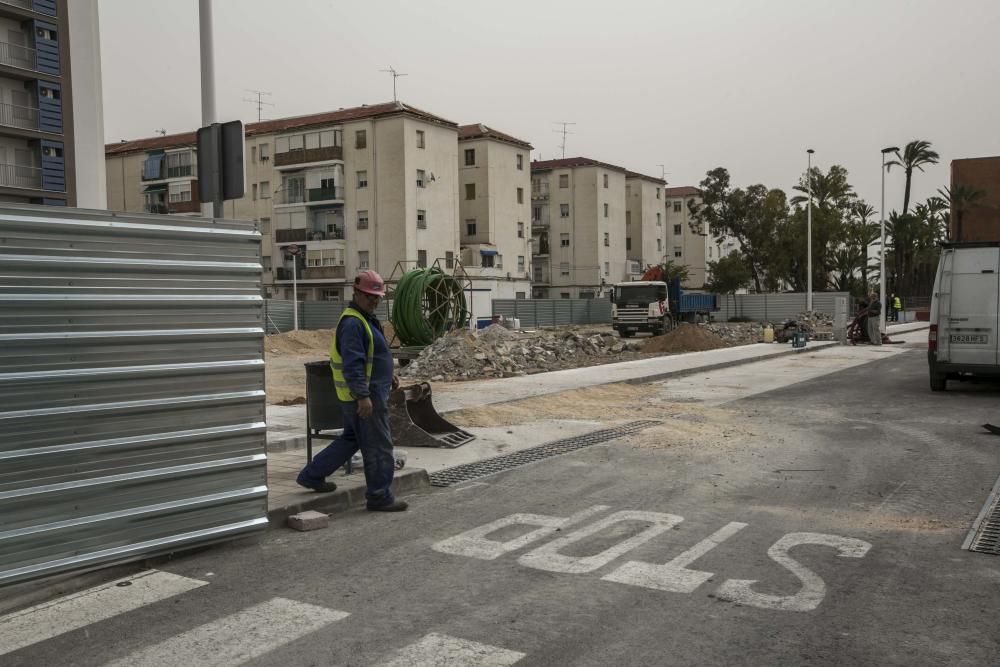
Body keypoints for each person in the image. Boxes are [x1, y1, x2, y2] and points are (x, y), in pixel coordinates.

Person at [296, 270, 408, 512]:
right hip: (365, 398)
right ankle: (379, 497)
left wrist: (389, 376)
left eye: (377, 297)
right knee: (378, 446)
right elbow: (353, 363)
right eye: (369, 296)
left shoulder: (364, 319)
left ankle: (312, 475)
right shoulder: (353, 323)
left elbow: (372, 357)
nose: (374, 301)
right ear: (356, 293)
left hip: (368, 393)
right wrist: (362, 396)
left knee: (351, 440)